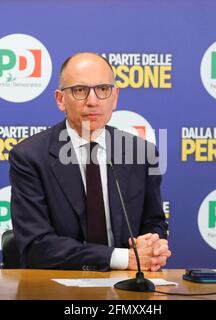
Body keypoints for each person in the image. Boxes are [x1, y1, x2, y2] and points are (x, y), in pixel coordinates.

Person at [9, 52, 171, 272]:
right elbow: (37, 246)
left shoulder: (141, 153)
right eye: (80, 90)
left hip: (127, 286)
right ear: (60, 100)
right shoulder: (30, 156)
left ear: (114, 98)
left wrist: (151, 246)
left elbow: (154, 221)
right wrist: (123, 258)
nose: (92, 101)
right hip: (57, 288)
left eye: (103, 89)